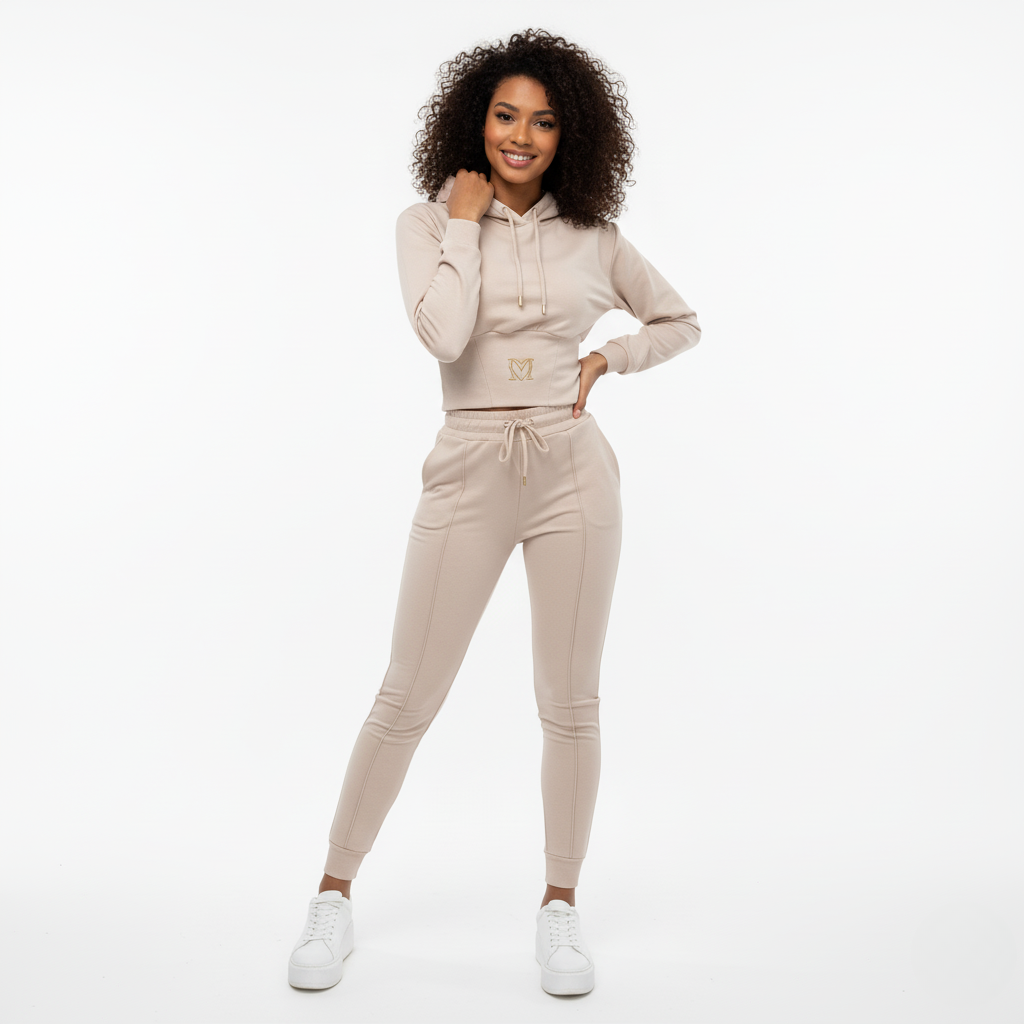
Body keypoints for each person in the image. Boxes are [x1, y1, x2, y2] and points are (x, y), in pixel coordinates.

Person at [287, 28, 701, 996]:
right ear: (474, 121)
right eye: (506, 116)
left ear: (569, 136)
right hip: (468, 468)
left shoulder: (594, 236)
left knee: (571, 703)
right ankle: (333, 893)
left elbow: (680, 320)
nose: (521, 136)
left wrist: (607, 359)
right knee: (405, 695)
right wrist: (467, 224)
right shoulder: (426, 224)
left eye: (543, 122)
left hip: (570, 470)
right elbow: (443, 334)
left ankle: (559, 906)